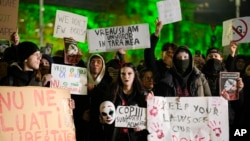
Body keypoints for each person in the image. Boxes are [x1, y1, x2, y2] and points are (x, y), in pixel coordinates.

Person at [201, 46, 244, 141]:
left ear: (221, 59)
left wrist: (239, 91)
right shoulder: (199, 77)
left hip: (225, 121)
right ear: (206, 59)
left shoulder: (229, 77)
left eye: (216, 56)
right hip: (204, 121)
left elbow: (238, 105)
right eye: (210, 56)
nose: (213, 58)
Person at [106, 62, 152, 141]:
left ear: (134, 75)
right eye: (123, 74)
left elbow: (151, 118)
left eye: (129, 73)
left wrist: (151, 103)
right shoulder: (112, 93)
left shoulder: (143, 95)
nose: (126, 76)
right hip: (116, 136)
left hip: (136, 137)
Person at [85, 54, 113, 141]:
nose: (95, 64)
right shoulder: (82, 79)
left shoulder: (109, 82)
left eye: (98, 62)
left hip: (101, 123)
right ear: (89, 64)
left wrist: (94, 89)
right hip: (85, 121)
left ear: (103, 66)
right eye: (92, 62)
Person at [144, 20, 177, 85]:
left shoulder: (178, 69)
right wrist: (157, 33)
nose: (170, 55)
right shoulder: (156, 66)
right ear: (162, 54)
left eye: (173, 52)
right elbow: (148, 52)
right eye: (168, 52)